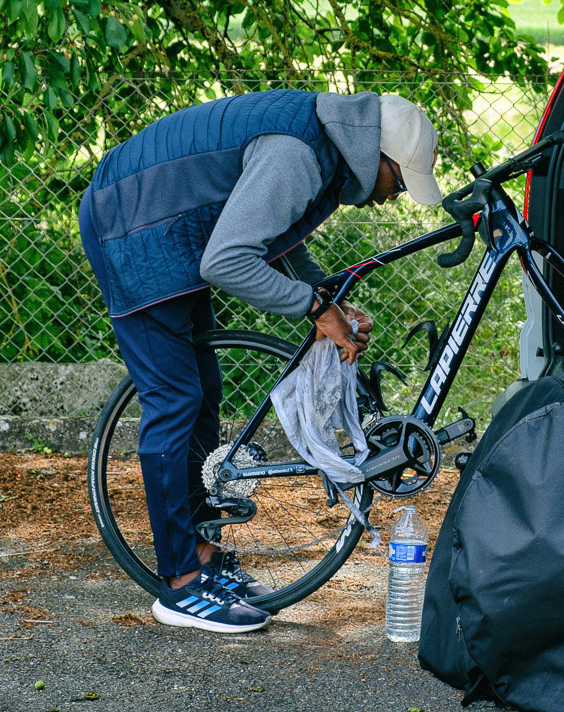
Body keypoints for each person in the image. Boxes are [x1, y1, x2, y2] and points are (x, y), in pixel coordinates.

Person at [78, 90, 443, 633]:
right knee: (173, 400)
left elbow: (275, 236)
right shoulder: (298, 152)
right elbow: (227, 260)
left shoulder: (323, 142)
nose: (394, 197)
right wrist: (316, 308)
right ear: (378, 159)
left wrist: (326, 301)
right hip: (132, 226)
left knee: (200, 391)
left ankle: (201, 557)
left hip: (165, 227)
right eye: (400, 182)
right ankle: (178, 585)